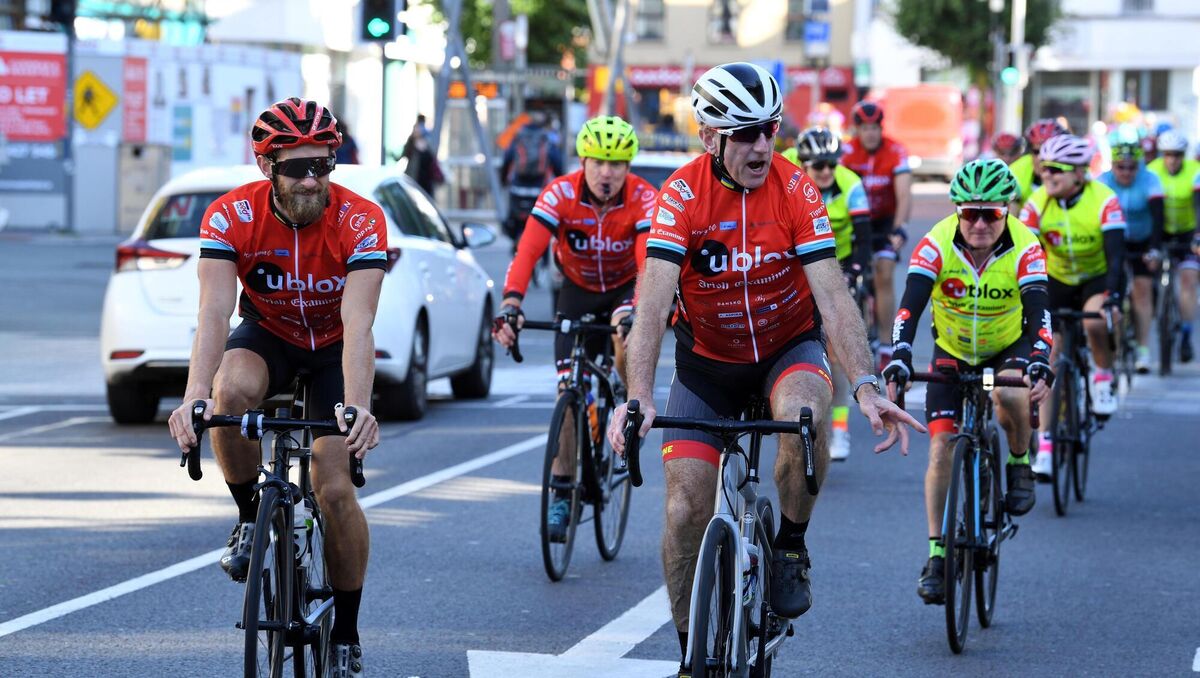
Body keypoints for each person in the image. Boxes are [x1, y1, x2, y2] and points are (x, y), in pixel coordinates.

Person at [605, 63, 924, 674]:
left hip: (787, 348)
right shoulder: (681, 195)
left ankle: (791, 548)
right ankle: (689, 652)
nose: (760, 145)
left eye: (769, 129)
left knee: (806, 419)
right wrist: (639, 394)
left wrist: (864, 382)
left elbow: (833, 297)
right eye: (744, 132)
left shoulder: (797, 189)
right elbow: (651, 304)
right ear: (710, 138)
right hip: (707, 366)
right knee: (682, 511)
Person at [166, 98, 383, 677]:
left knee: (334, 488)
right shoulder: (230, 216)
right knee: (230, 393)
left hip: (336, 346)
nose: (312, 179)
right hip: (272, 335)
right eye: (297, 167)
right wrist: (194, 397)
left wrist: (357, 408)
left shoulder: (360, 219)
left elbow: (361, 321)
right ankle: (247, 513)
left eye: (323, 165)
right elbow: (213, 311)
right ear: (267, 167)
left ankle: (348, 631)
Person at [882, 159, 1051, 604]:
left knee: (1010, 395)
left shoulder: (1026, 246)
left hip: (1005, 350)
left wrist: (1040, 356)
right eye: (970, 213)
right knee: (940, 449)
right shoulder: (936, 242)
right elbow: (909, 308)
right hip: (952, 352)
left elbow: (1039, 312)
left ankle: (1018, 464)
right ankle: (938, 553)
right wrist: (900, 353)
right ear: (957, 210)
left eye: (991, 214)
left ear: (1007, 211)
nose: (979, 224)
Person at [492, 115, 657, 541]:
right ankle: (563, 489)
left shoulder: (642, 197)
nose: (607, 173)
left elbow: (648, 266)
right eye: (599, 162)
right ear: (583, 160)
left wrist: (635, 308)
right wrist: (512, 302)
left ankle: (625, 406)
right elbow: (528, 250)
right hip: (577, 292)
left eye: (617, 164)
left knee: (625, 336)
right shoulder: (560, 192)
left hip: (623, 290)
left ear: (628, 166)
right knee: (569, 389)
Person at [1019, 133, 1126, 479]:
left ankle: (1102, 377)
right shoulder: (1037, 203)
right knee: (1046, 357)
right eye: (1045, 169)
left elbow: (1116, 256)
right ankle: (1046, 447)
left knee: (1095, 322)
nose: (1047, 175)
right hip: (1057, 280)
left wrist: (1111, 295)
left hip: (1097, 277)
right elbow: (1023, 256)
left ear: (1079, 173)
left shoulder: (1104, 199)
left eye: (1057, 170)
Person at [785, 127, 872, 461]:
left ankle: (839, 429)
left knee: (837, 352)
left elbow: (864, 239)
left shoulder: (850, 185)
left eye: (831, 165)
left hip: (841, 261)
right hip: (801, 265)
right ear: (803, 164)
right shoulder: (790, 179)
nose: (825, 172)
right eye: (818, 165)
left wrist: (853, 273)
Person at [841, 101, 914, 372]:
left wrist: (900, 228)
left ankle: (885, 344)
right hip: (854, 222)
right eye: (865, 128)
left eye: (875, 128)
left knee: (884, 273)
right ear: (857, 129)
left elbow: (904, 194)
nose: (870, 134)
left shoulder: (895, 150)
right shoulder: (847, 151)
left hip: (884, 223)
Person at [1097, 139, 1165, 373]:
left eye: (1132, 167)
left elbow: (1158, 219)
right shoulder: (1102, 182)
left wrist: (1155, 249)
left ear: (1139, 166)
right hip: (1110, 240)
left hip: (1142, 240)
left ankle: (1143, 349)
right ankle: (1111, 348)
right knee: (1110, 293)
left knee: (1142, 291)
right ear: (1112, 166)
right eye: (1120, 167)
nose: (1126, 172)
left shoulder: (1151, 180)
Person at [1146, 130, 1200, 363]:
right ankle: (1159, 304)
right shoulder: (1152, 172)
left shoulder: (1194, 171)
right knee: (1149, 277)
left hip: (1187, 232)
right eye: (1168, 154)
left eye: (1177, 155)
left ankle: (1186, 336)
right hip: (1160, 232)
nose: (1172, 159)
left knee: (1188, 280)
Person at [500, 110, 564, 247]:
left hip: (517, 188)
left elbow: (507, 159)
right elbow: (557, 163)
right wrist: (561, 182)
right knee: (543, 223)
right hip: (539, 189)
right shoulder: (546, 139)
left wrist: (503, 180)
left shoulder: (518, 138)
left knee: (514, 220)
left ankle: (515, 245)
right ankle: (544, 262)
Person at [1009, 118, 1068, 211]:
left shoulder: (1072, 171)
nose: (1041, 158)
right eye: (1036, 152)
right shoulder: (1015, 171)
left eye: (1048, 152)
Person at [402, 118, 441, 196]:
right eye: (415, 129)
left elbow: (432, 160)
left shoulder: (427, 142)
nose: (417, 130)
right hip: (415, 179)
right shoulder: (411, 144)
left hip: (427, 181)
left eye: (418, 128)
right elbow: (404, 155)